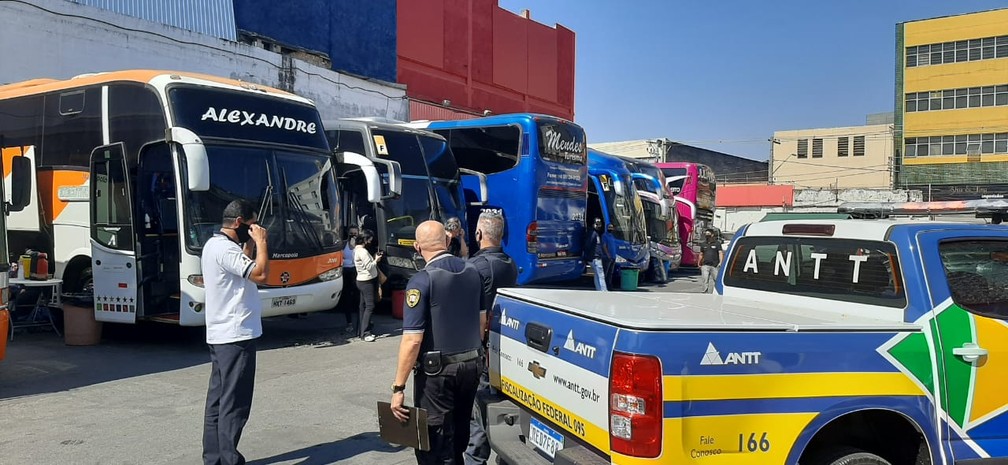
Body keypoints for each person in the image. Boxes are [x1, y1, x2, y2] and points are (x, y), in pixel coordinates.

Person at [390, 220, 484, 465]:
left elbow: (412, 340)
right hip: (472, 364)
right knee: (460, 434)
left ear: (416, 247)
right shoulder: (473, 271)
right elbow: (483, 321)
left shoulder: (421, 281)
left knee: (434, 443)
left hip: (437, 373)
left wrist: (398, 388)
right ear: (447, 240)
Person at [201, 199, 269, 465]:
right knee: (235, 404)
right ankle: (230, 459)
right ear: (239, 223)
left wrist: (250, 247)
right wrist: (262, 243)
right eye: (252, 226)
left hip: (221, 334)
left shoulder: (213, 245)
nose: (255, 230)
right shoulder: (226, 250)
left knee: (218, 402)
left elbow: (240, 273)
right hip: (236, 335)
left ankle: (214, 458)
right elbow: (261, 274)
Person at [464, 211, 518, 465]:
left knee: (479, 408)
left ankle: (475, 458)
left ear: (478, 234)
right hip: (504, 345)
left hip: (482, 348)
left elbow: (476, 315)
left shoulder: (476, 267)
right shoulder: (510, 263)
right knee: (501, 404)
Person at [354, 229, 383, 342]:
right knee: (370, 306)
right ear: (365, 239)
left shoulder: (356, 250)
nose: (371, 241)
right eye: (369, 239)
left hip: (360, 280)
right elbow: (370, 267)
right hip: (367, 281)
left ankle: (360, 330)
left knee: (362, 306)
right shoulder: (363, 252)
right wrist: (376, 260)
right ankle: (366, 332)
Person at [337, 226, 360, 335]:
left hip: (356, 273)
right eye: (351, 233)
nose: (353, 236)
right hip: (345, 273)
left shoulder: (360, 246)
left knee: (358, 298)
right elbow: (339, 257)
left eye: (355, 233)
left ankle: (361, 323)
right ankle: (349, 323)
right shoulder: (343, 244)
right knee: (347, 298)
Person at [584, 218, 611, 291]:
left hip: (595, 256)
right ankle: (603, 290)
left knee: (597, 275)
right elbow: (588, 244)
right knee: (600, 275)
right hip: (595, 257)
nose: (598, 226)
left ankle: (599, 290)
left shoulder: (594, 233)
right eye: (597, 224)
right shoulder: (593, 233)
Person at [700, 229, 723, 293]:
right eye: (706, 234)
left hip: (714, 265)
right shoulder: (703, 244)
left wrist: (721, 262)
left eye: (708, 234)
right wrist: (699, 262)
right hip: (705, 265)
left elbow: (720, 253)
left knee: (716, 280)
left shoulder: (717, 243)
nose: (707, 235)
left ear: (712, 235)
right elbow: (701, 254)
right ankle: (705, 292)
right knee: (705, 280)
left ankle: (717, 292)